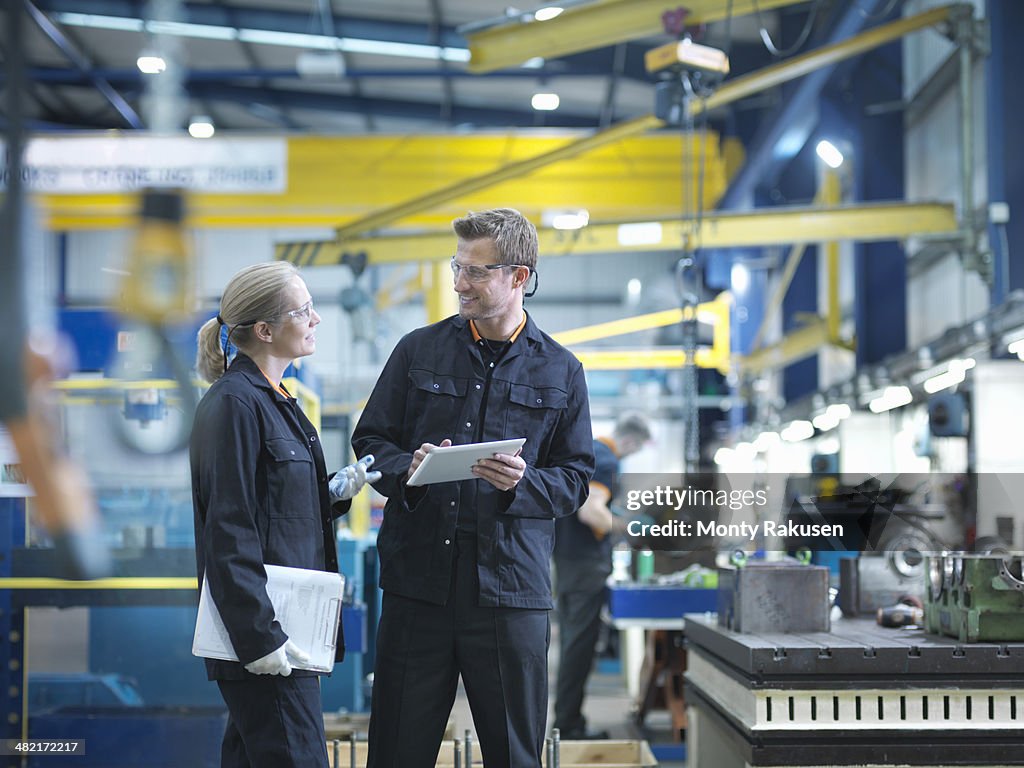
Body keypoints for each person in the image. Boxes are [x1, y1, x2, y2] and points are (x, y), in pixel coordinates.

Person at [352, 208, 595, 768]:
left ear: (519, 277)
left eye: (476, 272)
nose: (459, 283)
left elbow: (576, 478)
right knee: (396, 752)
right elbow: (371, 442)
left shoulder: (561, 371)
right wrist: (407, 472)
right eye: (457, 267)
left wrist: (524, 483)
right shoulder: (418, 352)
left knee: (514, 755)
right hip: (419, 587)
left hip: (509, 595)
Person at [190, 262, 378, 768]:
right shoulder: (234, 405)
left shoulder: (278, 401)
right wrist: (259, 637)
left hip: (287, 631)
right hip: (270, 636)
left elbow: (275, 508)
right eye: (304, 310)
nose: (316, 319)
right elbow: (228, 528)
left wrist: (334, 493)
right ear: (266, 330)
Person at [552, 412, 652, 740]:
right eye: (633, 451)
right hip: (585, 567)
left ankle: (567, 722)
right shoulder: (607, 459)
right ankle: (569, 727)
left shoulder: (589, 451)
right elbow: (591, 512)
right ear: (629, 441)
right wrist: (629, 527)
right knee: (578, 648)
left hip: (568, 562)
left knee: (572, 644)